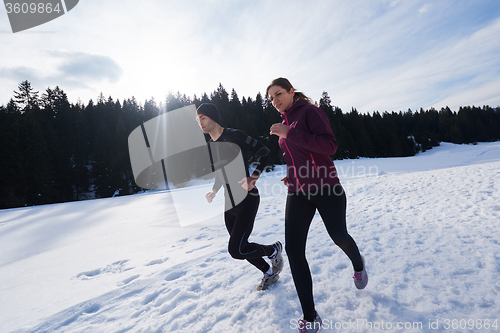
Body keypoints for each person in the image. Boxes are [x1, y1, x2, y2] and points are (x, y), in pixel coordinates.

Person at [266, 78, 368, 332]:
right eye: (270, 98)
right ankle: (310, 317)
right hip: (298, 192)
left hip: (327, 187)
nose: (275, 100)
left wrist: (290, 133)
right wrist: (292, 173)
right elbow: (297, 156)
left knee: (338, 236)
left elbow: (329, 146)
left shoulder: (310, 112)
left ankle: (358, 264)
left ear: (291, 91)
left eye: (278, 94)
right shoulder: (284, 122)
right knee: (294, 250)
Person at [196, 103, 284, 291]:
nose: (200, 122)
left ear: (213, 118)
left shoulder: (235, 135)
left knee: (236, 250)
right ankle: (269, 273)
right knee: (242, 247)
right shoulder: (210, 146)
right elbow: (221, 172)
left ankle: (273, 250)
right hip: (229, 203)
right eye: (198, 120)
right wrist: (214, 190)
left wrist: (254, 177)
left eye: (202, 117)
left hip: (247, 198)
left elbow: (264, 152)